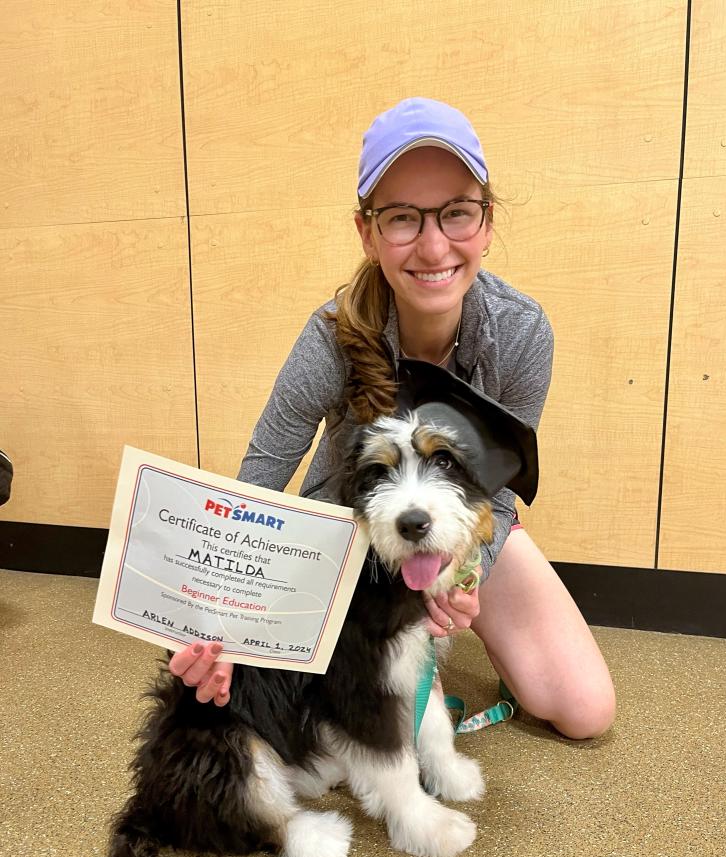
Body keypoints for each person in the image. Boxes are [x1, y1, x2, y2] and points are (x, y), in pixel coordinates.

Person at [170, 97, 615, 740]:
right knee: (295, 710)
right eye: (403, 218)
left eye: (457, 213)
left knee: (584, 710)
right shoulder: (330, 336)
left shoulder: (522, 332)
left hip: (457, 530)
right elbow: (258, 484)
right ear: (367, 231)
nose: (434, 245)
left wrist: (467, 574)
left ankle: (463, 634)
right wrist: (220, 622)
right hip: (346, 536)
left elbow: (500, 489)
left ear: (486, 222)